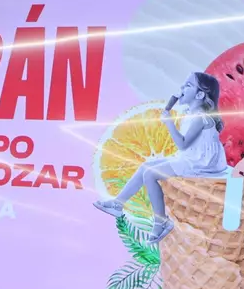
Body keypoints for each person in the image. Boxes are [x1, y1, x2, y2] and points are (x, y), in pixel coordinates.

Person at [93, 72, 229, 242]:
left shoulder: (200, 117)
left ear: (200, 95)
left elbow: (183, 144)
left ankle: (161, 221)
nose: (182, 88)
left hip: (201, 163)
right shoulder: (192, 114)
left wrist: (169, 123)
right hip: (192, 158)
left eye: (188, 85)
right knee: (145, 166)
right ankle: (118, 204)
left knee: (150, 174)